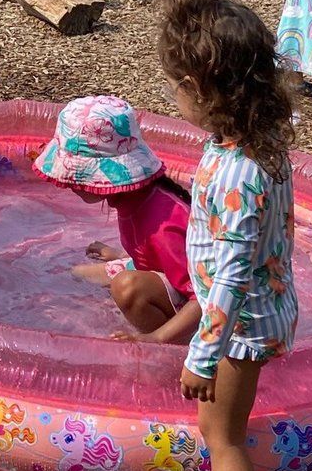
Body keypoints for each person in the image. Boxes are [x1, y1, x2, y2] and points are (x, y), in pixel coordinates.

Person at [158, 0, 298, 471]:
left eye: (178, 85)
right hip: (254, 311)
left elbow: (235, 276)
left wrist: (202, 355)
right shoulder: (250, 145)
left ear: (203, 92)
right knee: (224, 430)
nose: (173, 94)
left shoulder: (241, 171)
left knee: (224, 437)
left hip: (239, 328)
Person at [34, 95, 200, 342]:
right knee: (77, 274)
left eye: (75, 175)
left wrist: (155, 339)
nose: (67, 183)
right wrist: (122, 256)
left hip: (200, 304)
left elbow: (206, 298)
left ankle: (178, 347)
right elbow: (165, 259)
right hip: (167, 276)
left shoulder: (162, 223)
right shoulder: (134, 199)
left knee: (126, 288)